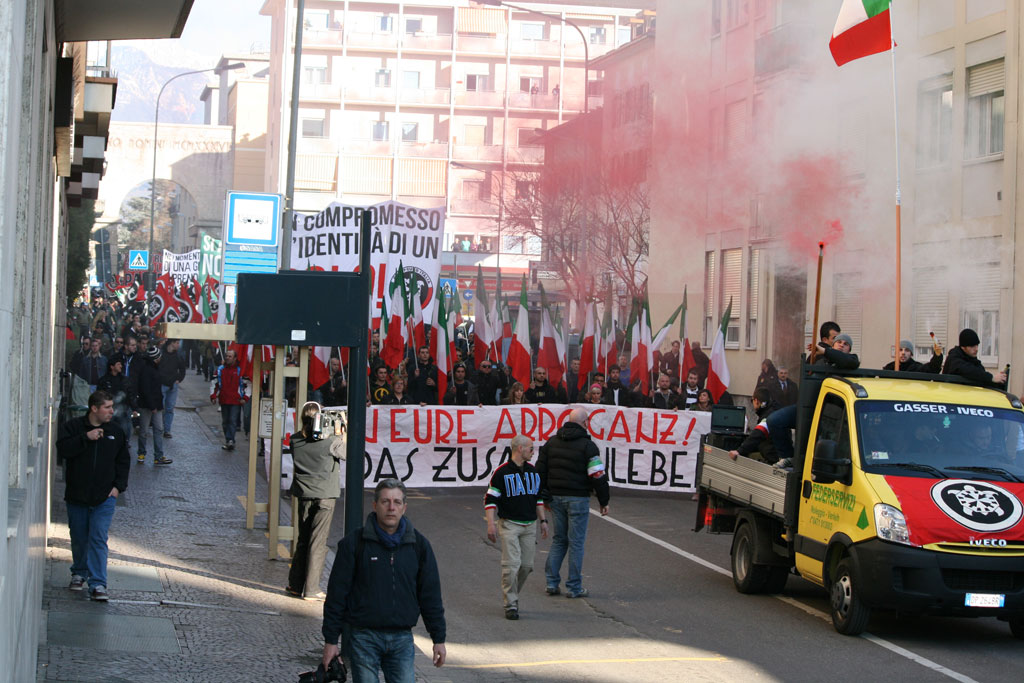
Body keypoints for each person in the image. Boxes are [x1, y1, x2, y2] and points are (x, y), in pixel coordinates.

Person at [322, 479, 447, 680]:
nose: (391, 508)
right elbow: (337, 595)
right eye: (385, 501)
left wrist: (438, 639)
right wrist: (330, 641)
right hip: (364, 637)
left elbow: (430, 596)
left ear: (404, 508)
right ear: (375, 505)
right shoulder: (354, 544)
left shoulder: (419, 545)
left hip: (402, 639)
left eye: (397, 502)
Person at [56, 391, 130, 601]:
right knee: (79, 536)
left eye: (111, 407)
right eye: (107, 407)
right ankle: (79, 572)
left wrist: (118, 488)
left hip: (105, 497)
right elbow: (63, 451)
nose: (111, 411)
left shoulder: (116, 431)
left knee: (98, 536)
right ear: (94, 409)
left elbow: (123, 461)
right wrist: (85, 439)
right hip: (77, 495)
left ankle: (98, 583)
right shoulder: (73, 428)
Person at [535, 407, 610, 599]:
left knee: (559, 540)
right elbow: (597, 475)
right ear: (585, 423)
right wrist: (604, 500)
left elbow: (539, 472)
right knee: (576, 543)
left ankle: (551, 582)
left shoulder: (551, 442)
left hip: (556, 498)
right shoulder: (588, 446)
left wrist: (542, 497)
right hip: (578, 498)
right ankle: (574, 587)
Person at [287, 402, 346, 601]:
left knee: (303, 539)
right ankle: (312, 589)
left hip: (304, 494)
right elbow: (347, 453)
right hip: (325, 496)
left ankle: (295, 585)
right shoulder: (331, 442)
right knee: (318, 542)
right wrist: (342, 433)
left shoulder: (295, 440)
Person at [484, 434, 548, 620]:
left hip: (530, 525)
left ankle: (512, 593)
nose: (533, 451)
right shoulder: (501, 473)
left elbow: (538, 498)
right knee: (511, 566)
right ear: (520, 449)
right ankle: (510, 603)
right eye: (530, 448)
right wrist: (491, 524)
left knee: (527, 566)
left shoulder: (533, 471)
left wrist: (543, 521)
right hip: (510, 524)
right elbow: (490, 500)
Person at [137, 346, 172, 465]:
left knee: (158, 429)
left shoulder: (153, 368)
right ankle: (142, 453)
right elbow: (145, 389)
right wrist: (152, 406)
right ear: (156, 358)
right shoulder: (147, 370)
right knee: (144, 431)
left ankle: (158, 455)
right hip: (149, 405)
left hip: (155, 405)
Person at [728, 387, 778, 464]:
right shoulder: (774, 410)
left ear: (756, 401)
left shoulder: (768, 416)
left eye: (752, 401)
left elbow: (757, 434)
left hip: (773, 458)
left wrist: (739, 451)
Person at [211, 348, 248, 451]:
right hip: (224, 399)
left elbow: (247, 384)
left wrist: (245, 397)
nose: (227, 358)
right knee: (225, 421)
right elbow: (214, 383)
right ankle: (229, 440)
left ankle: (230, 440)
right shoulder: (220, 369)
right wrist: (213, 396)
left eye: (230, 356)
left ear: (235, 358)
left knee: (232, 420)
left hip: (235, 401)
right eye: (226, 356)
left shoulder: (240, 370)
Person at [942, 328, 1007, 388]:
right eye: (972, 346)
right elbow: (968, 370)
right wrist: (992, 378)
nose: (976, 349)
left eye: (977, 345)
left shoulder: (971, 359)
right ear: (963, 347)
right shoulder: (954, 359)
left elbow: (980, 374)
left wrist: (999, 380)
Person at [97, 355, 133, 443]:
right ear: (112, 367)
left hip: (122, 411)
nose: (121, 366)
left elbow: (129, 394)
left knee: (125, 432)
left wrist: (133, 408)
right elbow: (99, 395)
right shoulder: (104, 380)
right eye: (118, 364)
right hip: (108, 411)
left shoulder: (124, 380)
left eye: (121, 364)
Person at [158, 339, 187, 438]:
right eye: (177, 343)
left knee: (170, 408)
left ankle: (167, 430)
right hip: (162, 383)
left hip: (173, 385)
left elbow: (183, 369)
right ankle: (159, 427)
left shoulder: (178, 356)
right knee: (160, 407)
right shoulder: (161, 354)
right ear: (172, 343)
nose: (178, 345)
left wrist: (179, 379)